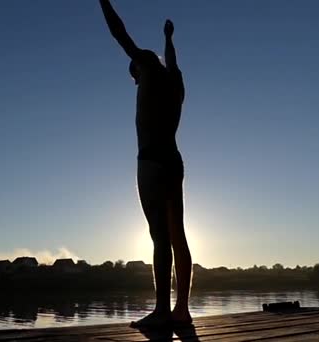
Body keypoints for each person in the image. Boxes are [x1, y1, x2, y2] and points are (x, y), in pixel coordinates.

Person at [98, 0, 193, 328]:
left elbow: (119, 33)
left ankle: (162, 311)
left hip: (151, 161)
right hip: (174, 161)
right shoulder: (176, 82)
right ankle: (183, 309)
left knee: (159, 237)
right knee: (178, 234)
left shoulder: (148, 69)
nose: (135, 82)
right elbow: (173, 60)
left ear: (139, 67)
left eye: (133, 76)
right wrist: (169, 38)